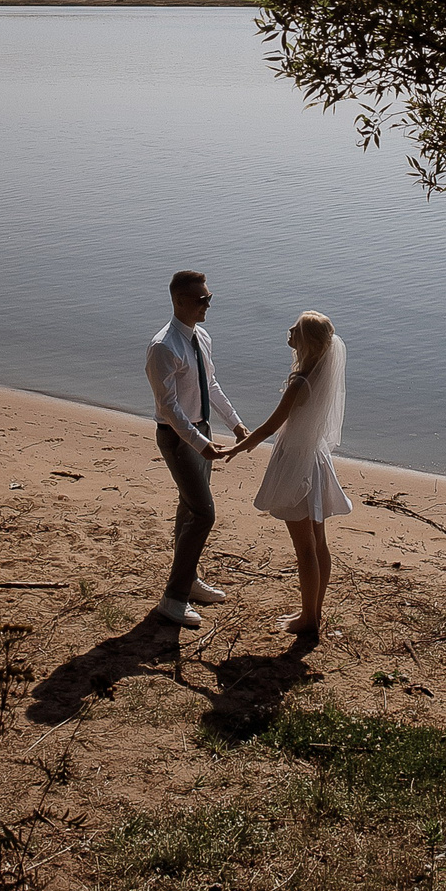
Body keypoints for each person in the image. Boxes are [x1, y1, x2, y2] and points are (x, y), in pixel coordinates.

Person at [220, 310, 350, 637]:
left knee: (305, 546)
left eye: (296, 329)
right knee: (319, 541)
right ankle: (314, 613)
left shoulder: (300, 383)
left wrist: (237, 447)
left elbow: (270, 426)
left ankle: (308, 619)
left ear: (305, 341)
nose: (289, 331)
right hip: (316, 462)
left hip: (297, 466)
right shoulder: (318, 378)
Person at [146, 269, 248, 628]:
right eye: (201, 299)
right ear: (179, 301)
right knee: (203, 514)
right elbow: (169, 408)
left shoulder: (201, 336)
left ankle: (187, 581)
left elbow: (212, 384)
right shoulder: (163, 347)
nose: (207, 305)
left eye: (209, 298)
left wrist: (235, 423)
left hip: (199, 430)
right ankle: (172, 599)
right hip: (178, 438)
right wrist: (201, 444)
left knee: (188, 509)